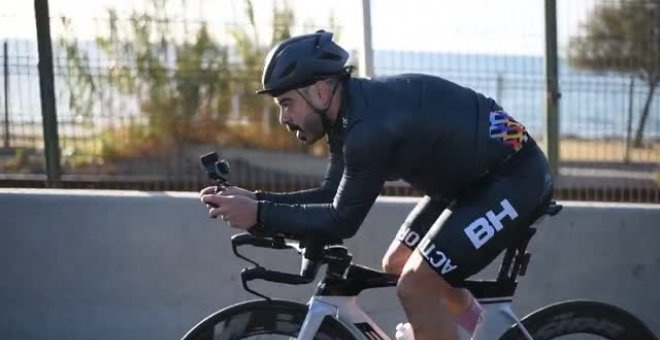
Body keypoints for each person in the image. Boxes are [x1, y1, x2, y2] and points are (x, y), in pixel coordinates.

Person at [200, 30, 554, 340]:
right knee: (399, 262)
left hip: (514, 179)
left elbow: (342, 220)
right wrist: (256, 200)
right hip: (471, 183)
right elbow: (330, 195)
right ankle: (482, 330)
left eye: (287, 103)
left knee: (417, 285)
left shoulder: (368, 129)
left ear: (321, 91)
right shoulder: (349, 116)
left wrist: (259, 213)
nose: (284, 117)